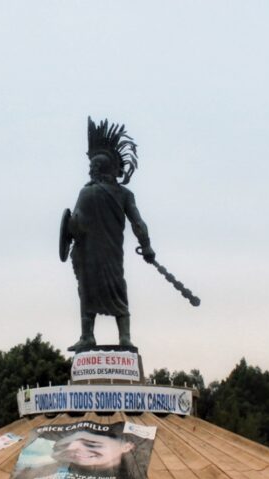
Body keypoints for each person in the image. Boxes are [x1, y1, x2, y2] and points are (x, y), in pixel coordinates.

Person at [63, 117, 155, 351]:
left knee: (87, 291)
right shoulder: (125, 194)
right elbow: (139, 223)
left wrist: (68, 230)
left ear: (97, 170)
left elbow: (75, 225)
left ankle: (88, 336)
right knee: (117, 288)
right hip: (113, 254)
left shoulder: (86, 193)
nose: (90, 172)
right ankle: (124, 338)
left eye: (91, 168)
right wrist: (146, 246)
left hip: (90, 255)